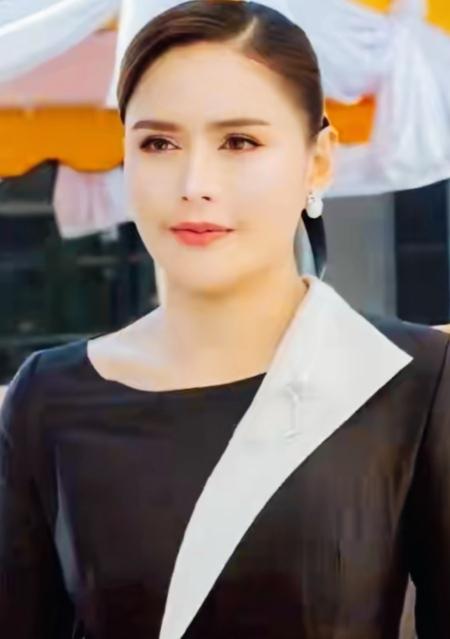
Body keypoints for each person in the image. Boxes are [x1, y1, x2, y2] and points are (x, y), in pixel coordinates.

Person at [1, 1, 449, 638]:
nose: (194, 182)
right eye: (159, 143)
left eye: (240, 142)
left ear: (318, 161)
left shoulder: (412, 379)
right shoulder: (48, 395)